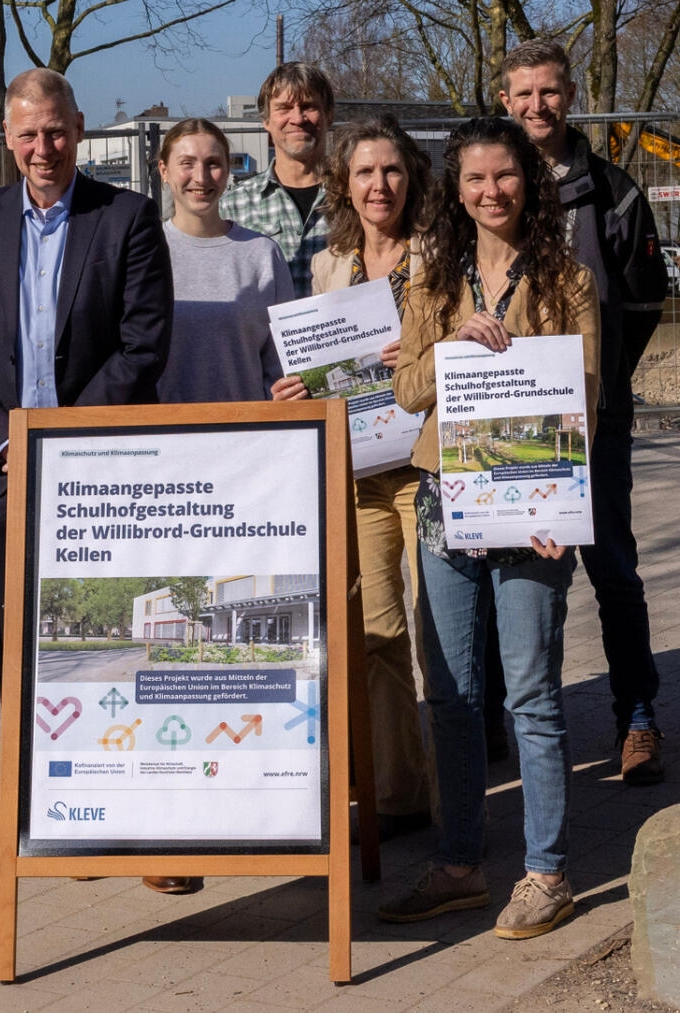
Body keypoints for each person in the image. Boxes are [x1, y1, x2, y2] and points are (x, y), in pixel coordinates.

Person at [0, 68, 174, 891]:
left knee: (112, 644)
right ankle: (36, 824)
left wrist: (64, 436)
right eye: (29, 134)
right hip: (8, 469)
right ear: (8, 138)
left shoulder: (129, 218)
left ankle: (139, 824)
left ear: (79, 127)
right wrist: (6, 434)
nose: (44, 148)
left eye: (58, 131)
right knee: (25, 655)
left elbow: (144, 345)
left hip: (103, 469)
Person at [380, 117, 600, 940]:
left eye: (505, 176)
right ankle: (461, 863)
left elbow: (585, 396)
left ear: (526, 180)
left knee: (534, 695)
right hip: (449, 503)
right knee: (452, 695)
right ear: (456, 189)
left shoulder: (567, 278)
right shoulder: (434, 273)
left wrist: (559, 508)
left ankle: (546, 872)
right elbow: (405, 390)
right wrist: (447, 345)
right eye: (475, 179)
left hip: (534, 513)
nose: (492, 192)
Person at [498, 38, 669, 785]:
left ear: (570, 95)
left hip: (595, 422)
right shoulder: (485, 182)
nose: (538, 105)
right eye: (524, 94)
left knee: (615, 569)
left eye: (550, 92)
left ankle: (636, 717)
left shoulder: (614, 191)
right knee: (509, 574)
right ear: (505, 101)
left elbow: (642, 297)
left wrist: (597, 385)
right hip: (502, 424)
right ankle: (495, 728)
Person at [272, 117, 435, 840]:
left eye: (392, 171)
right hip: (360, 469)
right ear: (345, 184)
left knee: (441, 630)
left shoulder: (442, 253)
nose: (380, 185)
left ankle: (459, 781)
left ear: (412, 177)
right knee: (374, 632)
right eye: (366, 173)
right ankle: (400, 793)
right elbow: (322, 367)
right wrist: (300, 392)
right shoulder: (330, 265)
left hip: (428, 464)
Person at [155, 117, 291, 404]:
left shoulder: (263, 253)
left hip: (247, 434)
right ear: (164, 170)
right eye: (187, 163)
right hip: (162, 436)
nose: (201, 177)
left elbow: (281, 362)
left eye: (213, 164)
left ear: (228, 169)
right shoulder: (144, 253)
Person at [220, 62, 334, 298]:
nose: (297, 118)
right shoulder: (232, 207)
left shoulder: (357, 198)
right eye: (284, 108)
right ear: (266, 120)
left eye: (308, 106)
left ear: (328, 115)